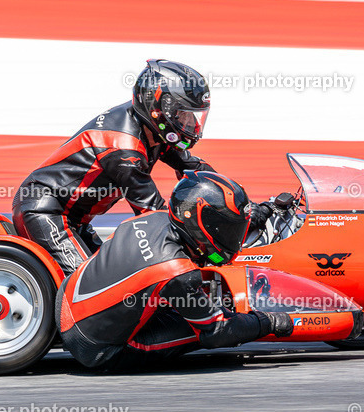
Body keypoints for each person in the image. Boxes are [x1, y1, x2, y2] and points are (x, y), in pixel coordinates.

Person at [56, 171, 294, 370]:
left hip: (66, 297)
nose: (233, 238)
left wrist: (260, 213)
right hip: (96, 348)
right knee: (217, 324)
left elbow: (193, 238)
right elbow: (216, 332)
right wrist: (265, 322)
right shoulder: (176, 271)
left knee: (170, 294)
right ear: (200, 223)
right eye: (227, 229)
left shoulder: (153, 217)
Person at [11, 59, 217, 275]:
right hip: (44, 210)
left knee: (112, 277)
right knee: (85, 285)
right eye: (183, 114)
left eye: (193, 117)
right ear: (159, 108)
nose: (191, 125)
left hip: (73, 218)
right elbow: (154, 214)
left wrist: (241, 204)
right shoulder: (124, 147)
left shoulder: (153, 128)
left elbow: (193, 168)